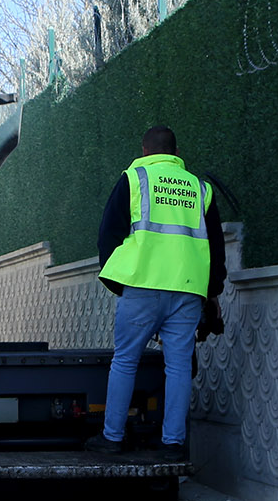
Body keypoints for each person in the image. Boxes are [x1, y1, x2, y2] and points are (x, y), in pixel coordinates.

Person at [85, 125, 225, 462]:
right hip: (187, 291)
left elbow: (108, 235)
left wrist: (118, 279)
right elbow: (216, 247)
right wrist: (212, 291)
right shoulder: (199, 188)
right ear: (175, 152)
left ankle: (112, 437)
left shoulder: (136, 179)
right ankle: (173, 444)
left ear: (145, 150)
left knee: (125, 361)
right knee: (177, 368)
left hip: (143, 286)